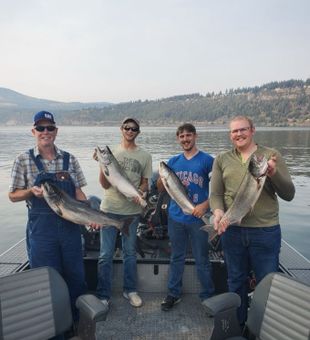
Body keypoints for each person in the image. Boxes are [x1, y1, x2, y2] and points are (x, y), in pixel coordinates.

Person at [210, 115, 295, 325]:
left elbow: (289, 194)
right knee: (235, 281)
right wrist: (218, 212)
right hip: (232, 231)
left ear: (252, 130)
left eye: (243, 130)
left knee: (267, 284)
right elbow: (216, 194)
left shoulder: (271, 156)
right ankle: (238, 326)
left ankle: (263, 329)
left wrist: (273, 174)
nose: (238, 134)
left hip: (265, 232)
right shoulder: (222, 159)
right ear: (230, 135)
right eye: (234, 131)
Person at [8, 111, 91, 325]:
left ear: (56, 131)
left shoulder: (69, 159)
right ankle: (53, 329)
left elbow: (79, 193)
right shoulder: (23, 160)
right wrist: (30, 192)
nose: (46, 132)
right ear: (33, 131)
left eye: (50, 128)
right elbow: (12, 195)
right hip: (42, 234)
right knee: (46, 281)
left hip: (71, 229)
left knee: (76, 278)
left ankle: (77, 326)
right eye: (41, 128)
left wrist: (90, 214)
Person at [157, 123, 215, 311]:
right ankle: (173, 293)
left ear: (195, 136)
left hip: (199, 218)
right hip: (176, 218)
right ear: (178, 139)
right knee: (176, 257)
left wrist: (204, 206)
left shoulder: (207, 161)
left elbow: (218, 190)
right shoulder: (173, 162)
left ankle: (208, 296)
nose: (185, 139)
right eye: (181, 136)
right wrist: (161, 178)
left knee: (202, 259)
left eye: (188, 135)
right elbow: (160, 189)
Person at [96, 117, 152, 308]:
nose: (130, 130)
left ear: (138, 132)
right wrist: (103, 166)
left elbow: (145, 182)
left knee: (129, 253)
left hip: (132, 212)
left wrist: (142, 193)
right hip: (108, 210)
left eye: (134, 128)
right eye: (127, 127)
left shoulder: (145, 155)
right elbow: (104, 184)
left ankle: (130, 291)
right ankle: (103, 295)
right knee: (105, 254)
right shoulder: (110, 154)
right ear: (121, 129)